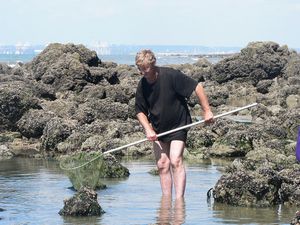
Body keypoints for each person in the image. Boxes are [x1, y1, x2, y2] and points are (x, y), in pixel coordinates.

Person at [135, 49, 214, 199]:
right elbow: (140, 110)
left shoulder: (170, 75)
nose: (144, 72)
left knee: (175, 159)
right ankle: (166, 201)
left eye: (146, 68)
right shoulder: (143, 85)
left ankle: (179, 201)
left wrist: (207, 111)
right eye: (140, 69)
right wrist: (148, 129)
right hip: (158, 127)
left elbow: (197, 87)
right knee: (162, 164)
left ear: (153, 64)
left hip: (179, 123)